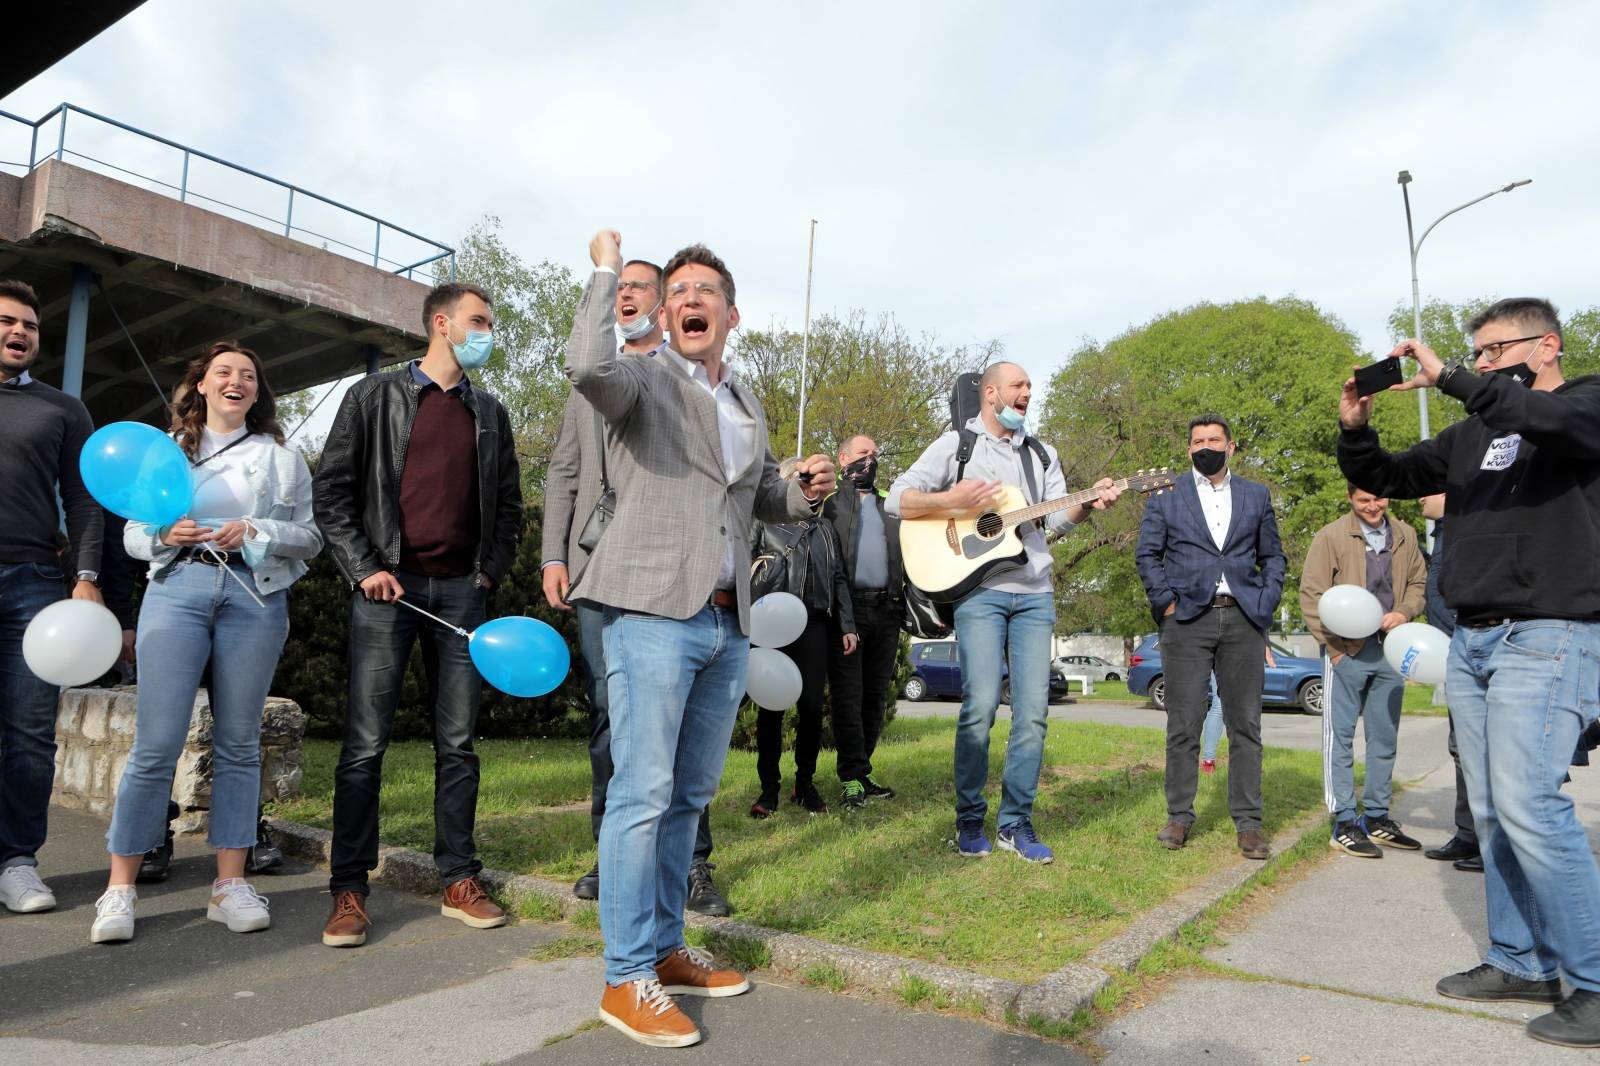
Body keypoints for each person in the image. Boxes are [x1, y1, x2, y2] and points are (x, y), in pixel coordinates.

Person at [565, 231, 833, 1048]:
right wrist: (606, 272)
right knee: (640, 795)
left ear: (730, 314)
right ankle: (624, 979)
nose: (688, 300)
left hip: (727, 618)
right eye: (675, 290)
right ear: (662, 308)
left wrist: (804, 490)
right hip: (651, 610)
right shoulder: (642, 377)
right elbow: (584, 366)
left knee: (687, 797)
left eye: (703, 291)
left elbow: (755, 501)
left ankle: (666, 947)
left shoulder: (746, 402)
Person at [1337, 297, 1600, 1048]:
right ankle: (1519, 958)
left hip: (1547, 632)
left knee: (1531, 804)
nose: (1481, 365)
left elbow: (1544, 422)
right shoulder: (1472, 432)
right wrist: (1357, 428)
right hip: (1476, 641)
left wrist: (1453, 376)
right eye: (1475, 355)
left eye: (1493, 352)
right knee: (1490, 812)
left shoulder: (1584, 403)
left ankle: (1592, 980)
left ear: (1546, 346)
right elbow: (1385, 474)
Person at [313, 281, 523, 948]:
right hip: (386, 590)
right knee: (365, 745)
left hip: (461, 593)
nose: (488, 331)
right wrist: (362, 565)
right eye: (480, 320)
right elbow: (333, 490)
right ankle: (348, 890)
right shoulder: (373, 397)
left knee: (458, 744)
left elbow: (512, 507)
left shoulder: (490, 412)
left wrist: (487, 573)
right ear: (442, 323)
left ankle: (458, 878)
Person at [91, 342, 322, 942]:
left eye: (248, 374)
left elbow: (310, 537)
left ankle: (230, 884)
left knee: (241, 744)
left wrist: (257, 528)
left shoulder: (283, 456)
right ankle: (119, 889)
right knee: (156, 743)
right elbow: (134, 538)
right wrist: (165, 533)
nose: (236, 380)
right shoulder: (168, 452)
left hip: (254, 597)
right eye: (224, 372)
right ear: (201, 385)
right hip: (178, 588)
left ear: (256, 392)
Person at [541, 259, 727, 916]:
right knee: (610, 718)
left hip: (682, 576)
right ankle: (614, 853)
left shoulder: (693, 384)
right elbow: (563, 474)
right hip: (601, 568)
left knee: (683, 736)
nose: (626, 295)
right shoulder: (596, 380)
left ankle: (692, 867)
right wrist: (553, 557)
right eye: (618, 288)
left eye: (638, 287)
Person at [887, 361, 1121, 864]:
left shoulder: (1042, 454)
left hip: (1035, 593)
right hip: (980, 594)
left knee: (1033, 714)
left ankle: (1016, 822)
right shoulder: (957, 446)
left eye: (1031, 387)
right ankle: (969, 819)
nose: (1027, 394)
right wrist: (951, 498)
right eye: (1018, 386)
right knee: (980, 706)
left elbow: (1058, 517)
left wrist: (1087, 503)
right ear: (990, 394)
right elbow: (895, 498)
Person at [1135, 414, 1285, 860]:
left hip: (1242, 618)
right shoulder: (1166, 497)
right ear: (1188, 449)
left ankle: (1249, 824)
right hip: (1186, 621)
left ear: (1231, 446)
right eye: (1198, 440)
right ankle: (1179, 816)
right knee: (1183, 724)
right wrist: (1165, 603)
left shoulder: (1256, 495)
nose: (1206, 446)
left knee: (1246, 724)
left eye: (1214, 439)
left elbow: (1273, 556)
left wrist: (1264, 602)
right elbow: (1147, 554)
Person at [0, 279, 103, 915]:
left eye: (30, 326)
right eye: (8, 321)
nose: (19, 332)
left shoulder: (63, 410)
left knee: (29, 732)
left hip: (33, 585)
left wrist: (86, 576)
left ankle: (16, 861)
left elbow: (86, 500)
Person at [1300, 484, 1427, 859]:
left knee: (1384, 739)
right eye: (1364, 500)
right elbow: (1311, 594)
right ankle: (1343, 821)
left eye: (1379, 499)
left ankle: (1376, 816)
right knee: (1340, 740)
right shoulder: (1331, 536)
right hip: (1346, 652)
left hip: (1390, 650)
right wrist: (1335, 651)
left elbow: (1419, 583)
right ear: (1351, 499)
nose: (1373, 506)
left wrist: (1404, 611)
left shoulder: (1405, 534)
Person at [748, 517, 857, 815]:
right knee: (771, 708)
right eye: (804, 482)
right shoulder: (764, 522)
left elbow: (837, 578)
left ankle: (804, 784)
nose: (812, 491)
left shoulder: (825, 529)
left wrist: (848, 625)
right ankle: (768, 789)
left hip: (814, 624)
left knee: (811, 707)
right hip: (773, 621)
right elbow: (745, 569)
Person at [823, 434, 904, 802]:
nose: (869, 460)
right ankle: (850, 777)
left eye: (874, 454)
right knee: (848, 698)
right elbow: (830, 567)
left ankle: (863, 771)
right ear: (843, 459)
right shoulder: (830, 508)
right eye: (862, 453)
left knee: (874, 698)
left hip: (887, 611)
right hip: (848, 613)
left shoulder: (891, 506)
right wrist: (843, 620)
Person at [1417, 493, 1481, 871]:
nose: (1421, 496)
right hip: (1456, 659)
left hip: (1472, 653)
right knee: (1461, 749)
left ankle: (1493, 843)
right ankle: (1468, 835)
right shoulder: (1442, 532)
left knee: (1481, 753)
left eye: (1430, 487)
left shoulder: (1464, 529)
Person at [1200, 645, 1276, 774]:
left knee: (1240, 706)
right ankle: (1210, 760)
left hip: (1240, 652)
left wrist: (1265, 644)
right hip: (1224, 652)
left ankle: (1244, 761)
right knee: (1221, 707)